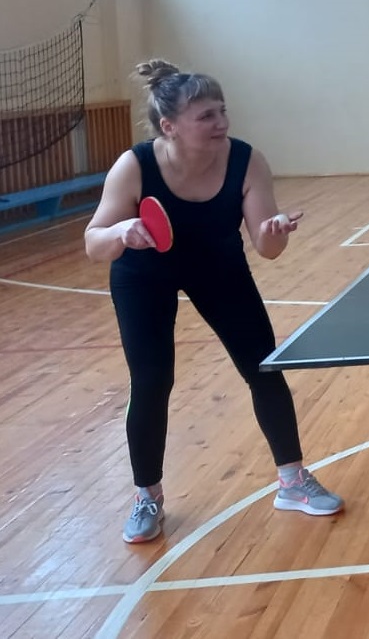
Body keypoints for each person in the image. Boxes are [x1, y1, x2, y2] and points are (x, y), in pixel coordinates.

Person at [84, 60, 344, 545]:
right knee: (152, 381)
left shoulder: (246, 160)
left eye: (222, 111)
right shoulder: (134, 166)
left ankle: (292, 483)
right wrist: (121, 231)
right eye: (206, 115)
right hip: (143, 275)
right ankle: (147, 496)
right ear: (170, 126)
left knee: (263, 368)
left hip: (219, 268)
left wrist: (274, 231)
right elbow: (93, 243)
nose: (221, 122)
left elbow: (267, 248)